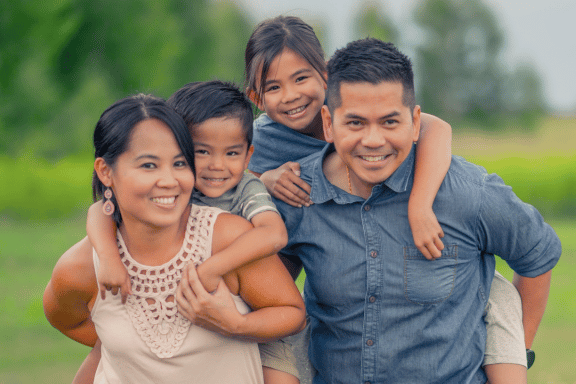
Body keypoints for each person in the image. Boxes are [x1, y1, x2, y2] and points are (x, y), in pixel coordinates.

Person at [272, 37, 561, 383]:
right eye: (355, 123)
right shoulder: (296, 197)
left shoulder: (467, 194)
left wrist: (517, 353)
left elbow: (537, 255)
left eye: (390, 122)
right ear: (328, 123)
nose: (374, 140)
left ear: (415, 120)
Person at [43, 94, 306, 384]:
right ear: (106, 172)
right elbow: (66, 319)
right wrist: (125, 349)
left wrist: (234, 325)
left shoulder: (230, 237)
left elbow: (291, 312)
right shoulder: (81, 267)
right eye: (148, 166)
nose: (169, 180)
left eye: (180, 163)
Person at [244, 16, 451, 260]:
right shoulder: (262, 139)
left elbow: (436, 128)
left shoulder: (346, 106)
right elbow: (239, 189)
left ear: (325, 74)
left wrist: (420, 206)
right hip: (324, 235)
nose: (290, 96)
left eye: (300, 79)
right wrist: (265, 180)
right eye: (273, 88)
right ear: (257, 99)